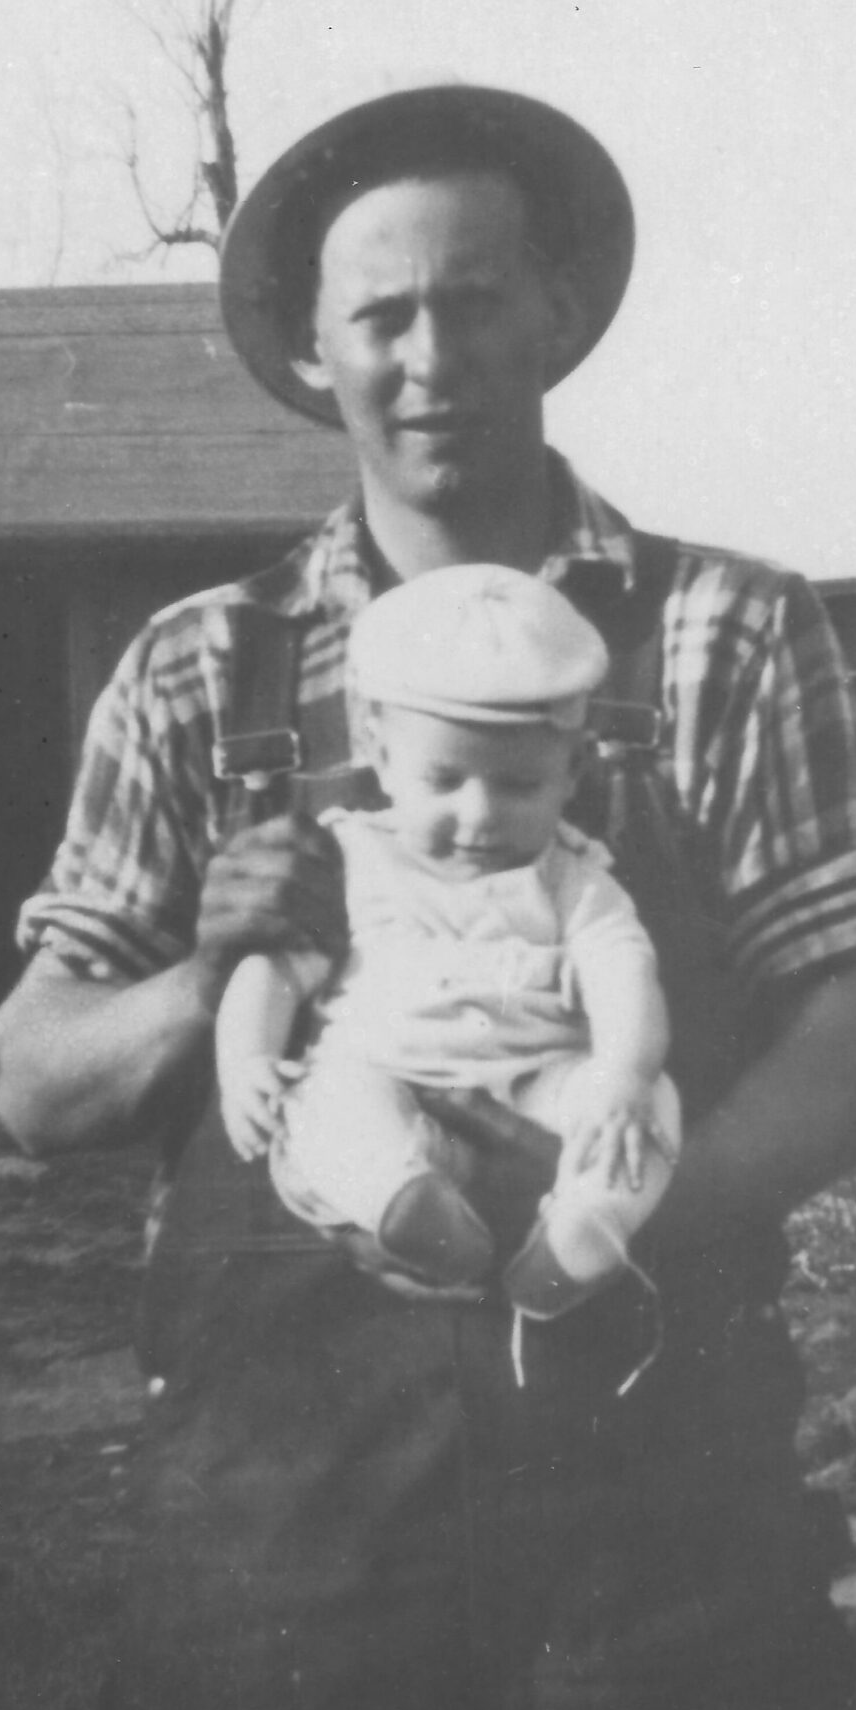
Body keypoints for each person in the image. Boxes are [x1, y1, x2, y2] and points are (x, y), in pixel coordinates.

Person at [0, 82, 856, 1710]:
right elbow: (33, 1077)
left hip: (651, 1480)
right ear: (311, 351)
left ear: (557, 311)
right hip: (284, 1511)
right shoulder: (198, 673)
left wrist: (611, 1215)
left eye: (472, 303)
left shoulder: (718, 636)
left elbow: (851, 1056)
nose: (427, 360)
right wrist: (195, 973)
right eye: (379, 316)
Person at [213, 563, 682, 1320]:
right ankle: (405, 1203)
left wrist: (623, 1076)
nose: (479, 816)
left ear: (572, 772)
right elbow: (275, 971)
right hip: (387, 1072)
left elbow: (627, 975)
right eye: (445, 780)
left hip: (542, 1084)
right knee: (328, 1101)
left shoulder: (575, 880)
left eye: (519, 786)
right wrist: (244, 1062)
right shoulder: (352, 861)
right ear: (380, 751)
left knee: (650, 1105)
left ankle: (583, 1232)